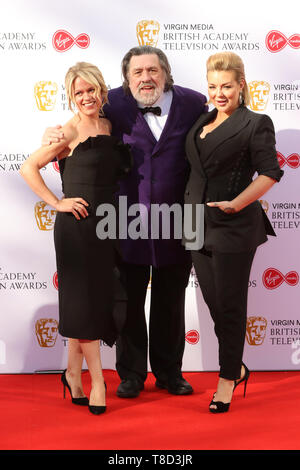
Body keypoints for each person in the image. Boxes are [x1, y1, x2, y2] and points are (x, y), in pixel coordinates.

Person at [42, 46, 208, 399]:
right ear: (126, 77)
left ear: (165, 71)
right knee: (128, 299)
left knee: (171, 298)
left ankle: (169, 373)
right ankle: (131, 374)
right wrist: (51, 137)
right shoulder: (110, 102)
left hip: (180, 216)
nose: (145, 77)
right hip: (123, 217)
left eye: (152, 70)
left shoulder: (194, 103)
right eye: (138, 72)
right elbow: (79, 130)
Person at [20, 62, 131, 415]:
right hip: (78, 228)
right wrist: (57, 202)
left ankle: (72, 373)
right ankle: (98, 381)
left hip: (107, 225)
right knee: (85, 304)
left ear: (102, 91)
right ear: (71, 97)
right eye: (78, 92)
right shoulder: (66, 132)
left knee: (90, 302)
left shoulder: (109, 124)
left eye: (90, 90)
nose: (86, 97)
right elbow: (27, 167)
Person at [184, 52, 283, 413]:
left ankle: (227, 378)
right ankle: (236, 366)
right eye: (212, 86)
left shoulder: (256, 123)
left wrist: (236, 204)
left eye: (226, 86)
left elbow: (270, 173)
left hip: (233, 224)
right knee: (214, 303)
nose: (219, 93)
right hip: (194, 223)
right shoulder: (202, 120)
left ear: (241, 85)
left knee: (230, 305)